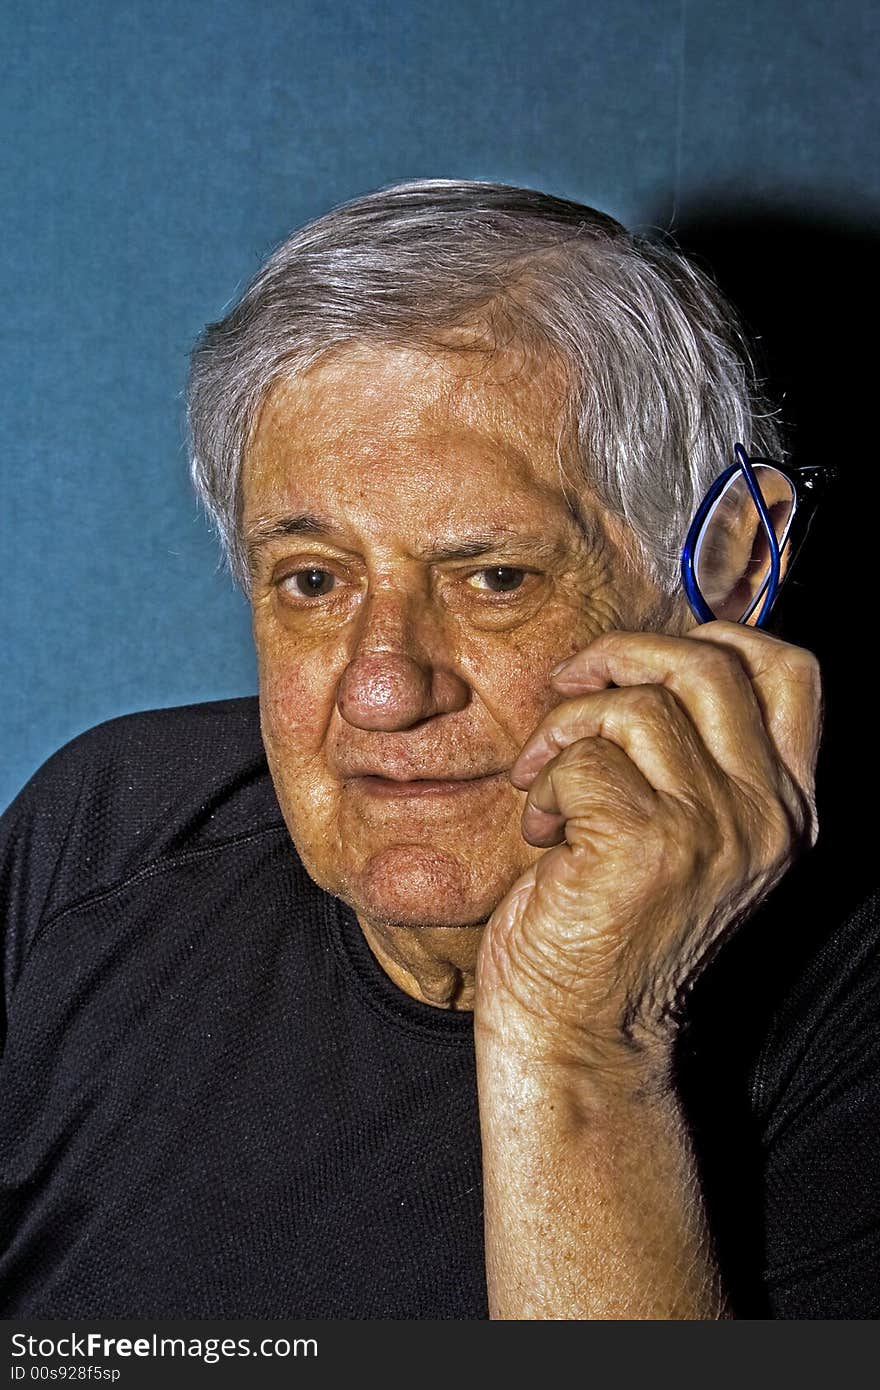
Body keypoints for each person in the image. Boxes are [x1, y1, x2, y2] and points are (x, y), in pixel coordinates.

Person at [0, 180, 877, 1320]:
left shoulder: (849, 1021)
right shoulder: (110, 834)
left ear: (728, 565)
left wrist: (585, 1046)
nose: (379, 686)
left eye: (493, 578)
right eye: (313, 581)